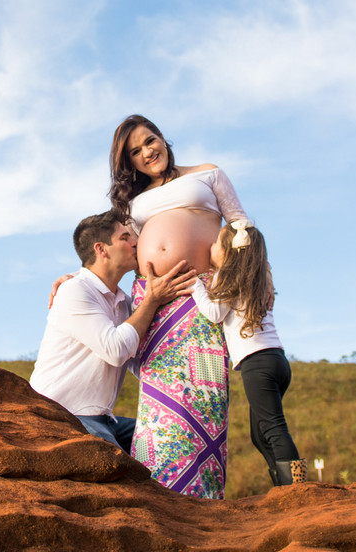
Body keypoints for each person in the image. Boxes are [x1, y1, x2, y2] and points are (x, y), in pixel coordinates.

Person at [108, 114, 250, 498]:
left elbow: (242, 228)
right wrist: (79, 277)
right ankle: (160, 497)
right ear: (130, 164)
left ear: (164, 139)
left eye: (150, 141)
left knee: (205, 395)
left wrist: (255, 282)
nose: (146, 152)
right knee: (159, 410)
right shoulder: (133, 203)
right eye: (135, 152)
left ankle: (202, 499)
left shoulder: (207, 173)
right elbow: (113, 248)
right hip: (156, 306)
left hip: (201, 300)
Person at [30, 211, 195, 450]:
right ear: (101, 249)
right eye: (125, 237)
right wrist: (152, 300)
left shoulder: (123, 302)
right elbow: (116, 350)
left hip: (104, 419)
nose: (136, 243)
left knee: (167, 442)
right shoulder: (74, 291)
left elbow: (137, 363)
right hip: (62, 414)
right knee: (115, 469)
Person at [193, 220, 307, 486]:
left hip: (258, 363)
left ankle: (298, 489)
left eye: (215, 243)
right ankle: (284, 484)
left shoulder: (228, 276)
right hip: (277, 361)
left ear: (227, 252)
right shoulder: (256, 278)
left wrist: (195, 286)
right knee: (260, 434)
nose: (210, 246)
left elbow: (214, 313)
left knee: (274, 428)